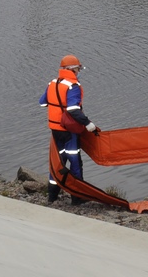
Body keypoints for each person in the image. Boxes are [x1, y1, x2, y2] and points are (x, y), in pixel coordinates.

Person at [39, 54, 99, 204]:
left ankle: (52, 196)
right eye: (78, 69)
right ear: (73, 70)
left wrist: (57, 107)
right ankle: (77, 197)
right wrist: (88, 124)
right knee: (75, 162)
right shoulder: (73, 86)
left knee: (58, 162)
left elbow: (42, 103)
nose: (78, 72)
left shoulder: (52, 83)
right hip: (69, 131)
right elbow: (73, 109)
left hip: (55, 129)